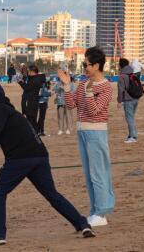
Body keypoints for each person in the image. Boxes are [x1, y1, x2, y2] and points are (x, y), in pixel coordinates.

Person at [0, 84, 95, 246]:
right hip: (39, 155)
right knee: (52, 195)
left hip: (20, 157)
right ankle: (83, 224)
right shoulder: (8, 113)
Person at [59, 46, 114, 227]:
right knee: (89, 174)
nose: (84, 68)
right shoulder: (82, 83)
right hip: (82, 131)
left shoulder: (106, 87)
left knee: (99, 172)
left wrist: (89, 92)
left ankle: (102, 212)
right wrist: (67, 86)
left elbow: (94, 110)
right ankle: (95, 211)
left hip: (96, 132)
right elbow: (71, 105)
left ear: (96, 66)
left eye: (86, 64)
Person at [117, 58, 140, 143]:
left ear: (121, 65)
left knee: (129, 118)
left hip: (128, 100)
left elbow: (120, 90)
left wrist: (119, 101)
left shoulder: (122, 76)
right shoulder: (132, 74)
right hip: (136, 98)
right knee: (131, 118)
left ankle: (133, 137)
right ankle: (131, 135)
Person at [18, 65, 45, 133]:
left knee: (31, 120)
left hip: (32, 102)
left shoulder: (36, 80)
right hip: (32, 102)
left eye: (29, 71)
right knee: (31, 119)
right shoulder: (35, 78)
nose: (28, 72)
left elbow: (27, 88)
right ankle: (35, 133)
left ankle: (35, 133)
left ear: (32, 72)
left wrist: (20, 82)